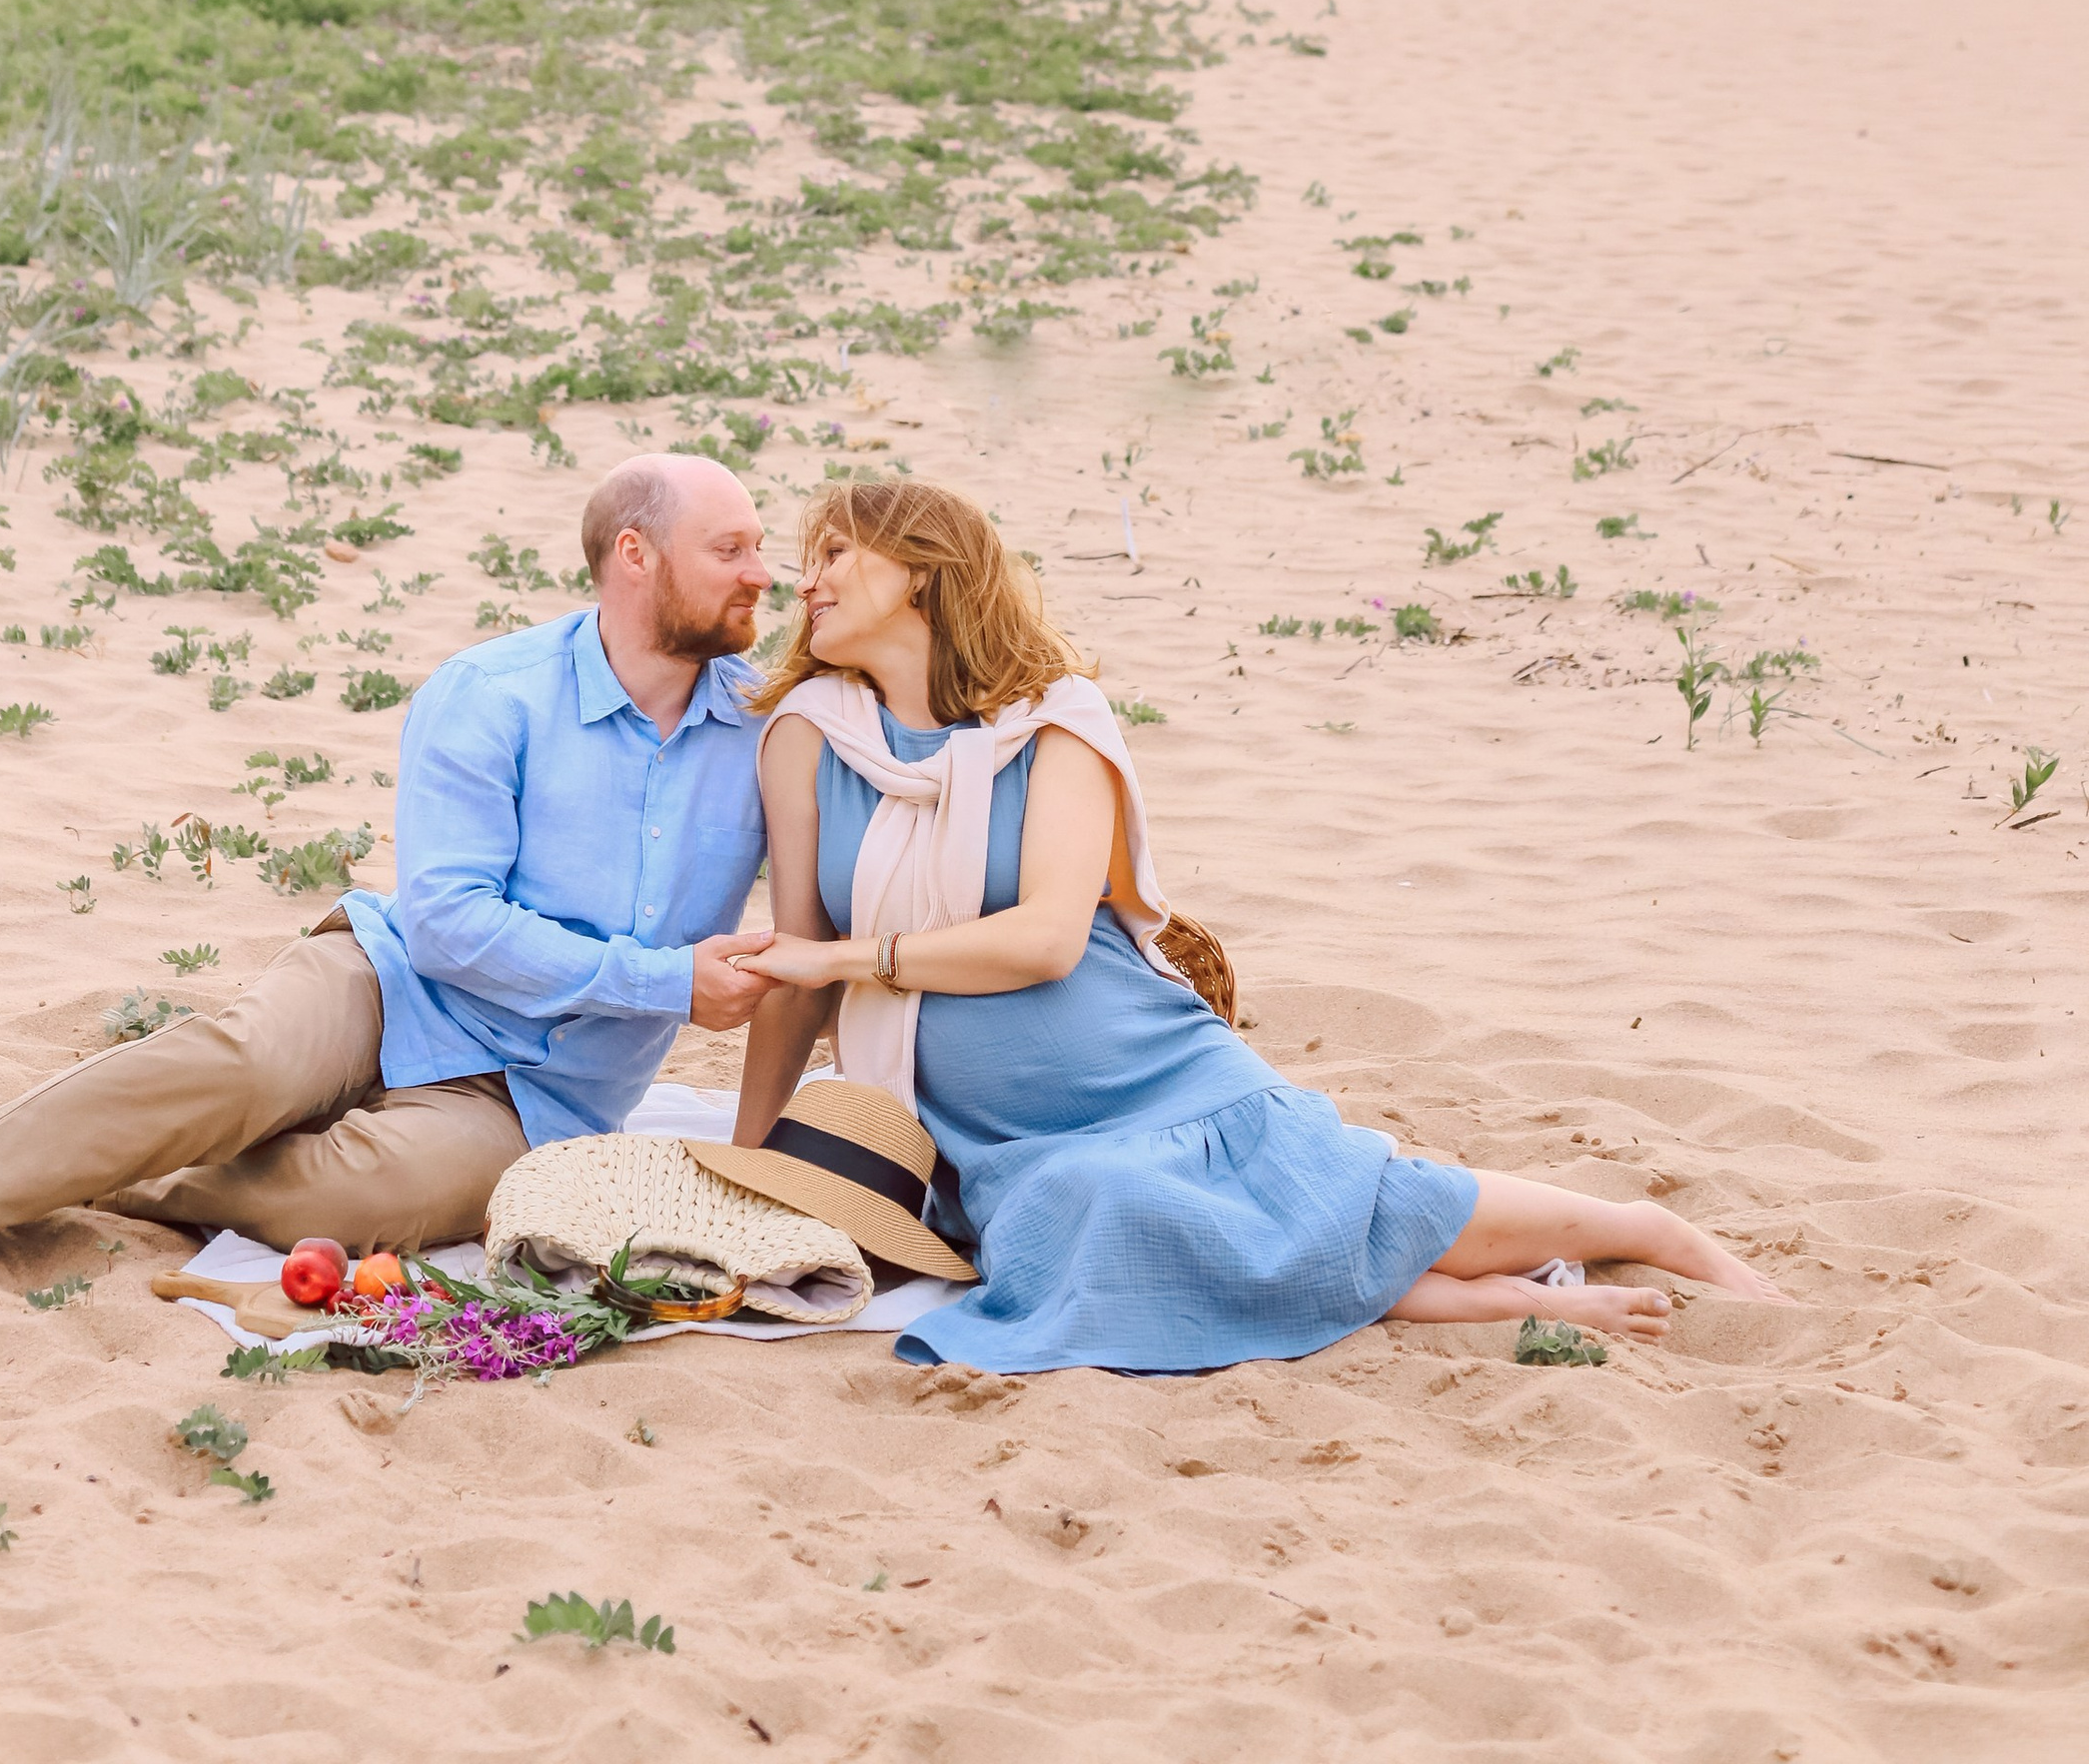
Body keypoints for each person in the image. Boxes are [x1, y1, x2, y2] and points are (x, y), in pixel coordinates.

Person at [730, 475, 1796, 1372]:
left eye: (832, 552)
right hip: (994, 1136)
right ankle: (1504, 1301)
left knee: (1353, 1200)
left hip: (1148, 1067)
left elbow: (1049, 937)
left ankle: (1643, 1229)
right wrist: (752, 1167)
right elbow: (793, 974)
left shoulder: (1055, 719)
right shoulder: (806, 740)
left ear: (921, 570)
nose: (804, 579)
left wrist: (850, 955)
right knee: (1096, 1221)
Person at [0, 452, 777, 1287]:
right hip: (395, 984)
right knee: (243, 1066)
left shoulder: (768, 727)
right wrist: (670, 980)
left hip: (542, 1094)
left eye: (760, 549)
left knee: (358, 1203)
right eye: (729, 548)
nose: (759, 574)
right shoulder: (490, 696)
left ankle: (112, 1167)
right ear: (634, 556)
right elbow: (446, 923)